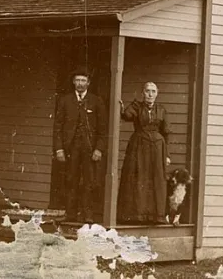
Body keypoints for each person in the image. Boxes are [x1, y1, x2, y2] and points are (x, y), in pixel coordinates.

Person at [53, 67, 108, 224]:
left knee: (89, 181)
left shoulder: (96, 101)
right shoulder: (65, 101)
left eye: (83, 81)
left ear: (88, 83)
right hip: (70, 148)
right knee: (71, 180)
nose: (80, 84)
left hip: (90, 149)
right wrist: (59, 148)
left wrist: (99, 148)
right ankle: (70, 213)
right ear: (73, 82)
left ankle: (88, 214)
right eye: (77, 80)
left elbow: (103, 129)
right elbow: (57, 127)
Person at [117, 81, 171, 224]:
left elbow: (166, 133)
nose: (150, 94)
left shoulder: (162, 109)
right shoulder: (137, 107)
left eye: (153, 91)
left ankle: (155, 216)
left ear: (157, 94)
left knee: (156, 179)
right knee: (138, 178)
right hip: (139, 147)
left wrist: (166, 155)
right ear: (143, 93)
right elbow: (127, 116)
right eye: (147, 91)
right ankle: (137, 215)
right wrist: (122, 108)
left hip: (158, 148)